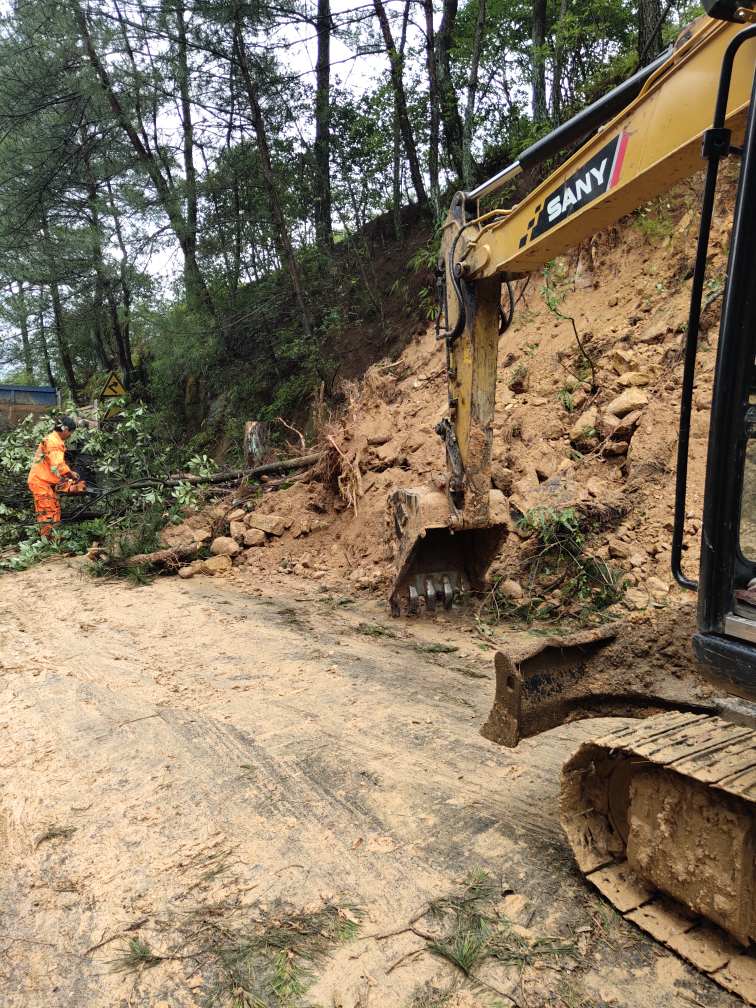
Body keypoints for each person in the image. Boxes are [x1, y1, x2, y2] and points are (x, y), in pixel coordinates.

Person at [27, 417, 85, 536]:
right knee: (47, 512)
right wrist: (70, 474)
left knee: (54, 510)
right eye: (71, 432)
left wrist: (64, 480)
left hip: (45, 482)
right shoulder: (53, 442)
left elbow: (53, 465)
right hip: (41, 482)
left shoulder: (52, 440)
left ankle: (53, 538)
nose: (70, 436)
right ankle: (48, 541)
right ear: (65, 429)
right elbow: (57, 464)